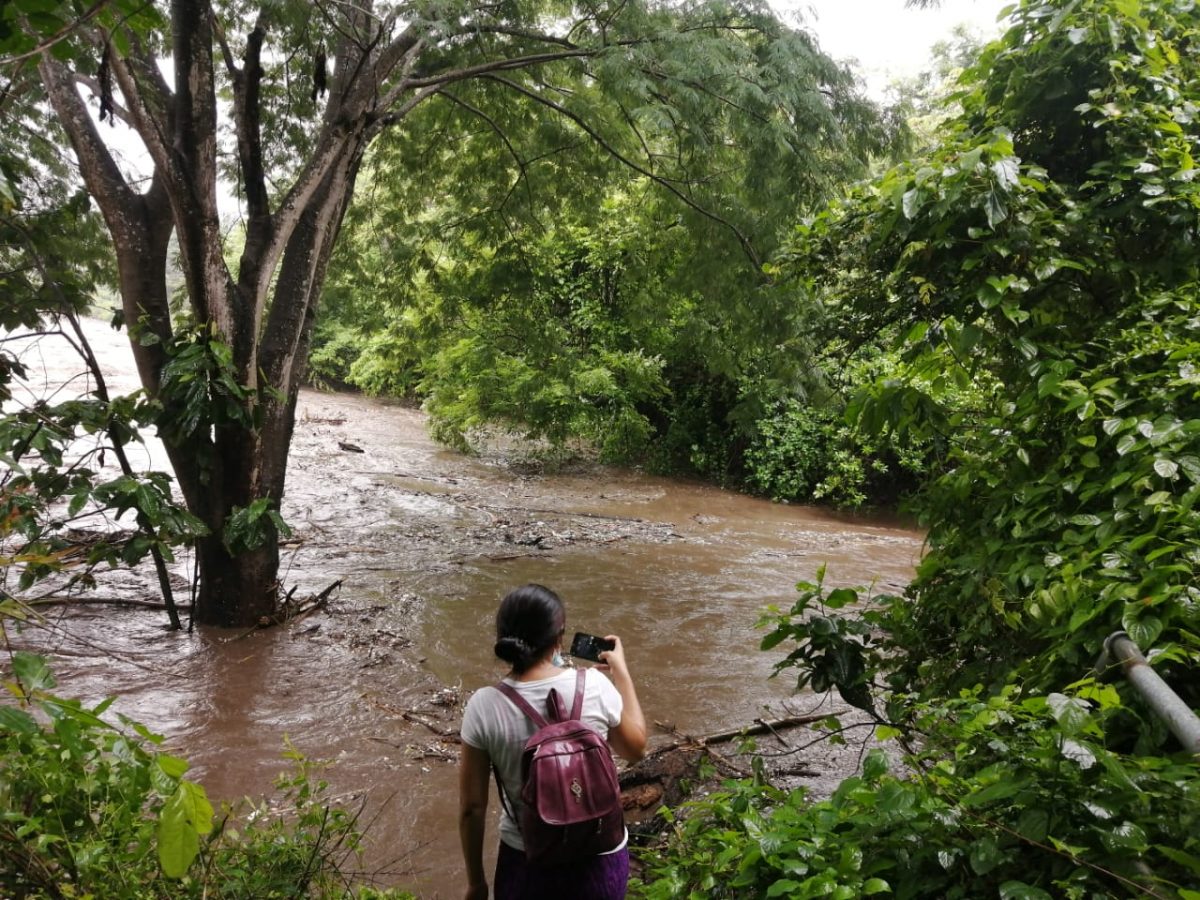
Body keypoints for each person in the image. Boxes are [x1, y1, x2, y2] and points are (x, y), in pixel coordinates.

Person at [459, 583, 647, 900]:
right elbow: (636, 750)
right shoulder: (596, 685)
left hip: (528, 859)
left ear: (503, 637)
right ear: (559, 637)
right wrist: (622, 674)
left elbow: (472, 809)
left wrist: (476, 884)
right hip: (600, 855)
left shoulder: (484, 705)